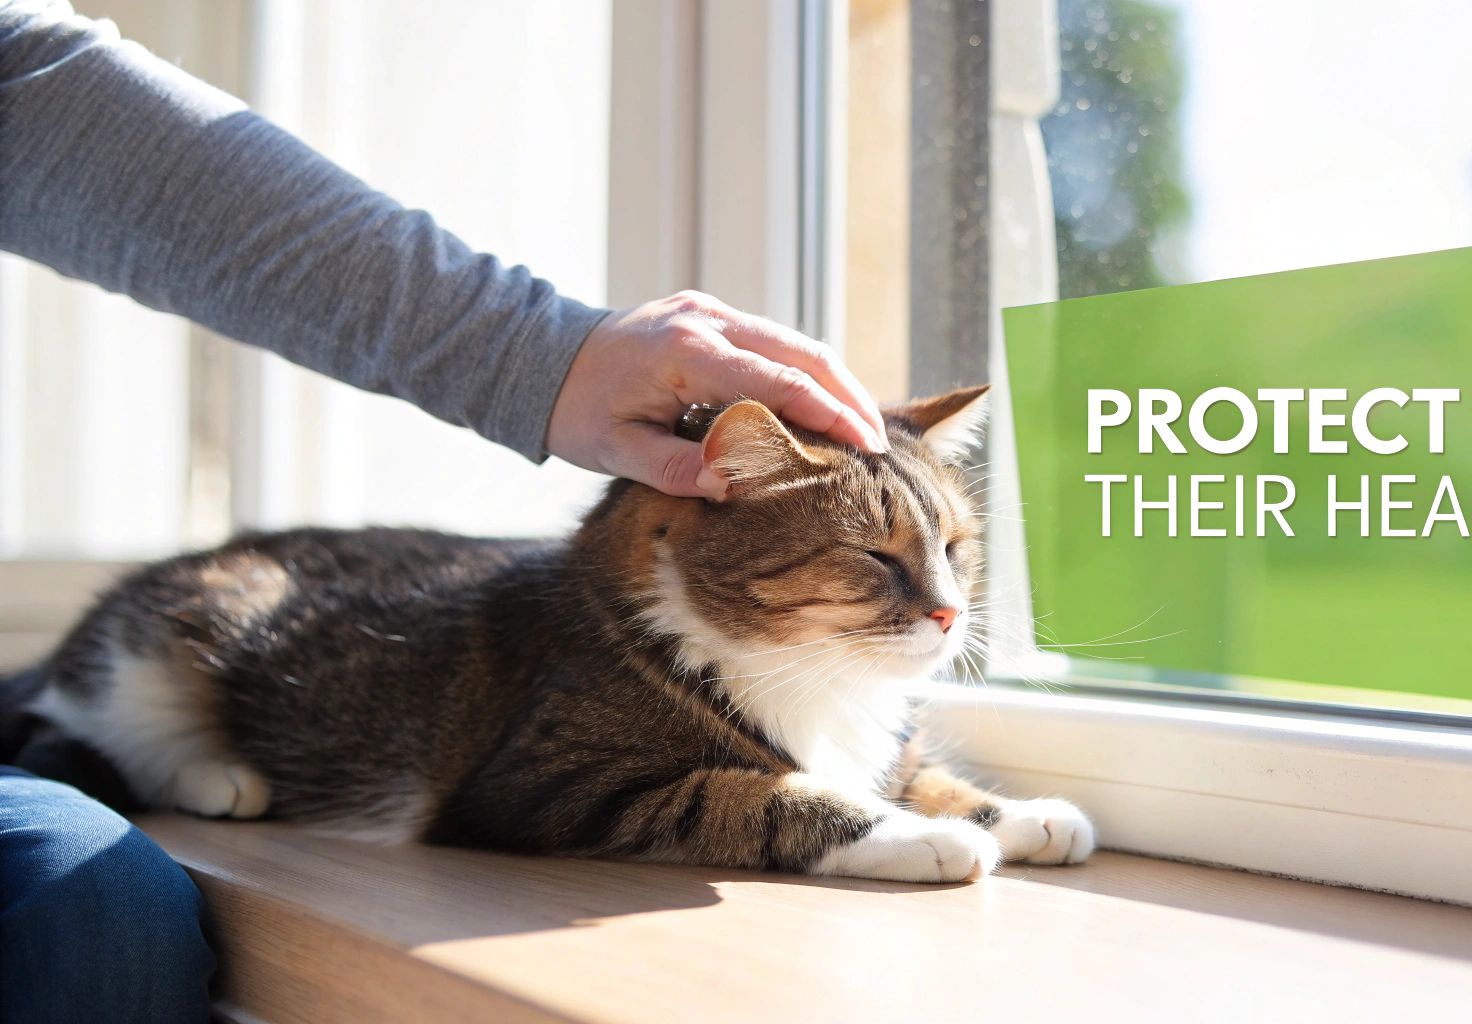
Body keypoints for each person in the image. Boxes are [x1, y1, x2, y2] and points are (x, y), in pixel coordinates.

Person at [0, 2, 888, 1020]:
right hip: (261, 704)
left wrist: (551, 357)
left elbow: (39, 94)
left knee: (93, 906)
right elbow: (530, 797)